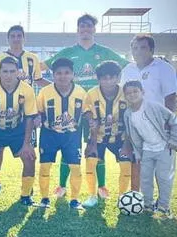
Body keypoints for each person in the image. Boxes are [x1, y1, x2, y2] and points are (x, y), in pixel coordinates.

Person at [43, 14, 130, 199]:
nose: (85, 29)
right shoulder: (67, 51)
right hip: (72, 108)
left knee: (100, 145)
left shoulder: (105, 52)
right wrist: (50, 87)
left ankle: (102, 187)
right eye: (82, 26)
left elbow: (128, 67)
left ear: (94, 29)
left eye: (89, 26)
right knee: (68, 145)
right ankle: (61, 186)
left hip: (99, 110)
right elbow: (40, 68)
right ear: (77, 29)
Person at [0, 25, 50, 195]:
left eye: (19, 35)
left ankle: (27, 190)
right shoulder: (0, 59)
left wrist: (57, 87)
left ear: (24, 38)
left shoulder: (32, 58)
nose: (16, 39)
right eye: (13, 36)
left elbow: (38, 80)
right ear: (8, 39)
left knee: (28, 149)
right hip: (2, 109)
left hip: (27, 110)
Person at [120, 34, 177, 191]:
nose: (138, 51)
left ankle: (163, 204)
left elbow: (171, 97)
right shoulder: (127, 70)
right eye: (134, 48)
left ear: (152, 50)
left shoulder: (164, 68)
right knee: (138, 163)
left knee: (162, 167)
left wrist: (167, 125)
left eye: (143, 47)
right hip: (135, 126)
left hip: (158, 125)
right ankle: (137, 199)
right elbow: (125, 99)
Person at [0, 56, 38, 206]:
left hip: (17, 130)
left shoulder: (27, 89)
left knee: (30, 157)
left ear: (18, 72)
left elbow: (30, 118)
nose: (8, 75)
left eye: (12, 71)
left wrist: (27, 144)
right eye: (5, 71)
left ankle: (25, 195)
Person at [121, 80, 177, 218]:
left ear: (142, 92)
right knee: (145, 179)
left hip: (164, 147)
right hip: (147, 150)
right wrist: (138, 153)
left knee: (163, 178)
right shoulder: (127, 114)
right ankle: (148, 205)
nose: (132, 95)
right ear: (125, 96)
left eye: (135, 91)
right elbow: (133, 136)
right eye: (128, 93)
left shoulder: (154, 106)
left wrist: (174, 140)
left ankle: (163, 208)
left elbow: (175, 121)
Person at [37, 58, 88, 210]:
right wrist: (37, 119)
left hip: (72, 136)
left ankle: (74, 199)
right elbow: (38, 112)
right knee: (45, 167)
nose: (63, 76)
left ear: (72, 74)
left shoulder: (81, 92)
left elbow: (87, 113)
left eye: (66, 73)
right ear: (53, 75)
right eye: (58, 73)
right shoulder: (45, 92)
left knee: (75, 168)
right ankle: (44, 198)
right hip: (49, 134)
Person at [82, 61, 131, 207]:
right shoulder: (91, 93)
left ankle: (122, 198)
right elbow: (88, 113)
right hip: (98, 137)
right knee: (90, 161)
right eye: (104, 78)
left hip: (120, 137)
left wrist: (128, 144)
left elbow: (131, 119)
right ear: (98, 79)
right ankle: (92, 196)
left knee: (126, 163)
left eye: (112, 77)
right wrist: (91, 142)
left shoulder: (126, 93)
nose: (108, 81)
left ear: (118, 77)